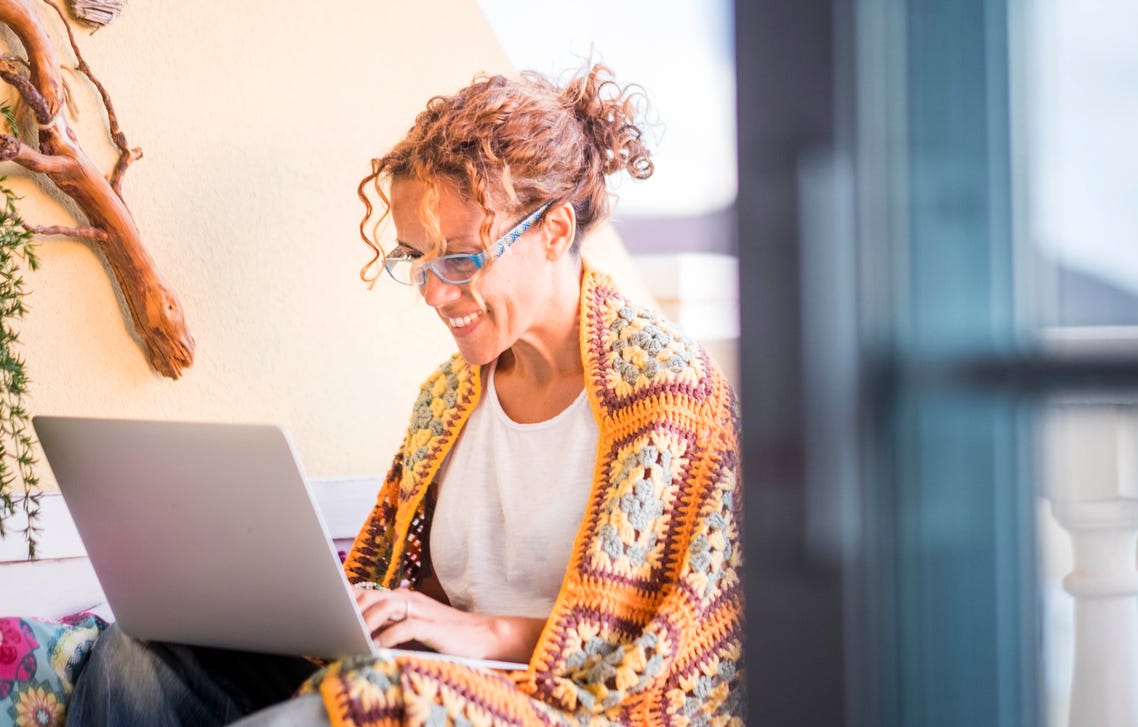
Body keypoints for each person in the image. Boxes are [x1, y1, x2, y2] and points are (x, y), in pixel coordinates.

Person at [67, 63, 744, 726]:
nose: (432, 290)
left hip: (562, 701)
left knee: (347, 706)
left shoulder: (670, 400)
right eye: (415, 259)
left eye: (459, 258)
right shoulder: (446, 400)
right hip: (428, 673)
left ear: (554, 231)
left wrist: (478, 633)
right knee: (133, 656)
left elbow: (655, 649)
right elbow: (412, 584)